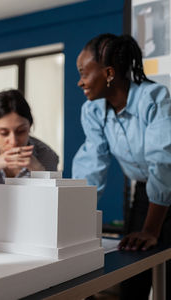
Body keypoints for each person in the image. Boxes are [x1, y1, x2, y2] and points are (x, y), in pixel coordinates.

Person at [72, 33, 171, 300]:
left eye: (83, 72)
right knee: (132, 277)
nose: (79, 81)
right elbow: (91, 164)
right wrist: (73, 225)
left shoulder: (153, 97)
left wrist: (151, 230)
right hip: (144, 192)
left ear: (109, 73)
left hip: (166, 183)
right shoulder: (92, 111)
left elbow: (162, 163)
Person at [0, 89, 58, 183]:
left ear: (30, 126)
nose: (13, 141)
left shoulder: (46, 155)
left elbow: (49, 197)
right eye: (4, 133)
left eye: (21, 131)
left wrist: (39, 172)